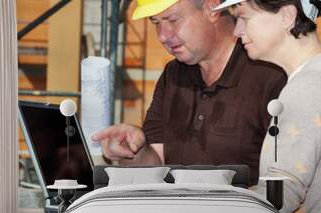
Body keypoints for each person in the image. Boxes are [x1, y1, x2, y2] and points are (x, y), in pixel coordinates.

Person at [92, 0, 287, 185]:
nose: (162, 36)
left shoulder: (271, 76)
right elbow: (156, 166)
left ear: (212, 8)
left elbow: (287, 182)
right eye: (156, 23)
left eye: (172, 20)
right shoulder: (173, 75)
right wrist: (135, 150)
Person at [215, 0, 321, 213]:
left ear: (287, 16)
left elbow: (279, 195)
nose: (237, 31)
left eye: (244, 18)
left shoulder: (309, 87)